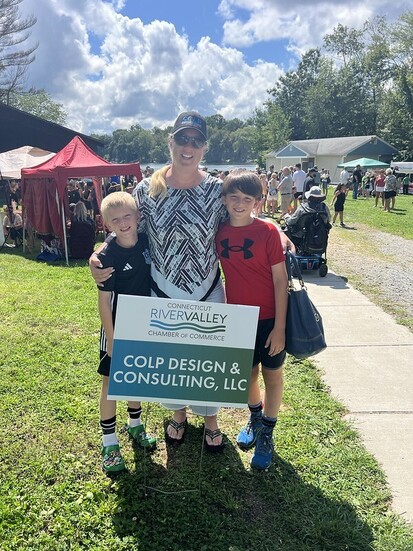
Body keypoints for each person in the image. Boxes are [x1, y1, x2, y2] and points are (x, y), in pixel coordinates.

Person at [90, 111, 295, 452]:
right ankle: (179, 415)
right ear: (171, 142)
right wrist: (100, 251)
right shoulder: (147, 187)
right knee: (172, 361)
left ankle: (211, 420)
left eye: (196, 141)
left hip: (208, 287)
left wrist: (279, 231)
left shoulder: (216, 189)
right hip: (163, 288)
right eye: (182, 139)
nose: (188, 147)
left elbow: (244, 215)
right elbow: (126, 228)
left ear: (204, 147)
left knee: (208, 359)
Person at [216, 169, 288, 470]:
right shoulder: (218, 231)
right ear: (224, 200)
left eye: (248, 199)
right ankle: (255, 418)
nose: (240, 204)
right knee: (247, 375)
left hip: (270, 319)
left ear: (258, 202)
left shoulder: (268, 232)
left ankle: (268, 432)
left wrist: (280, 329)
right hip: (237, 319)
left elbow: (280, 280)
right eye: (234, 197)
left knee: (273, 376)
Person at [97, 192, 156, 474]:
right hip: (118, 325)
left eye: (127, 217)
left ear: (138, 217)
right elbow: (104, 302)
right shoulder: (106, 256)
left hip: (143, 322)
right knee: (111, 381)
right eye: (115, 220)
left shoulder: (146, 241)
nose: (123, 223)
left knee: (135, 377)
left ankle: (135, 425)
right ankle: (109, 442)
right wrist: (112, 338)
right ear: (106, 224)